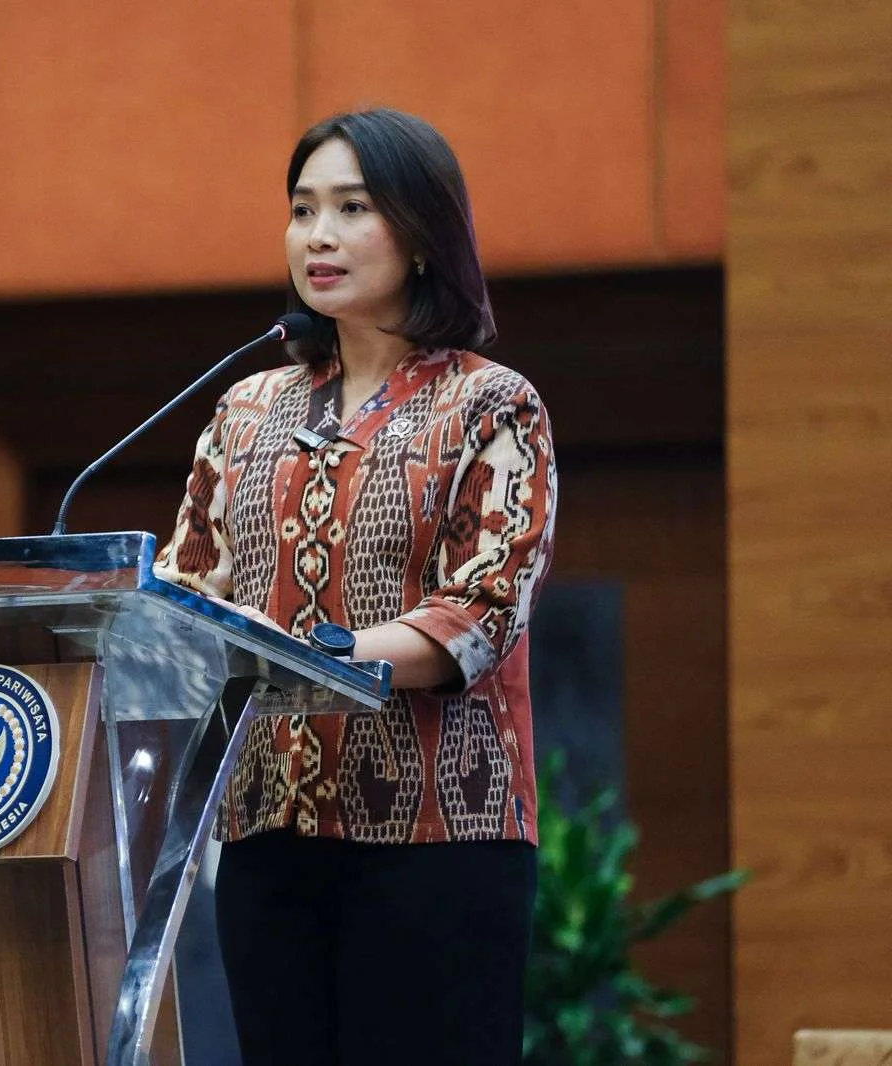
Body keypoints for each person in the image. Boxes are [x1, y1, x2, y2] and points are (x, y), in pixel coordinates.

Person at [153, 107, 557, 1065]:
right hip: (268, 830)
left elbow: (480, 613)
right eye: (302, 210)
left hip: (440, 837)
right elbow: (187, 582)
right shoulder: (245, 409)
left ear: (419, 234)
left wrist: (313, 655)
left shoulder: (490, 402)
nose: (317, 236)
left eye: (350, 208)